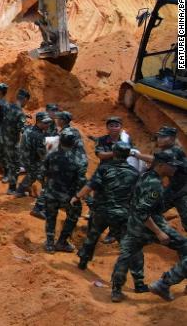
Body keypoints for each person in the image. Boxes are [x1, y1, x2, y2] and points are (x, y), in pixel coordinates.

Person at [110, 150, 187, 303]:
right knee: (185, 246)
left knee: (125, 256)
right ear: (161, 165)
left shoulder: (145, 175)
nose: (174, 169)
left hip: (134, 226)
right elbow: (143, 211)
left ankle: (116, 291)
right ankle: (165, 283)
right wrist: (159, 233)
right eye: (171, 165)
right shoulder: (155, 184)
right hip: (151, 226)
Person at [73, 142, 144, 288]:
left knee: (92, 236)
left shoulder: (104, 169)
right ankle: (138, 280)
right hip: (122, 214)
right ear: (127, 155)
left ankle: (82, 262)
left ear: (114, 152)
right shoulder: (134, 173)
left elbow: (90, 186)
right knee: (128, 246)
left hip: (102, 211)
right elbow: (138, 195)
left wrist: (77, 197)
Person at [134, 126, 187, 232]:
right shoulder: (170, 151)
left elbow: (156, 160)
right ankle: (148, 231)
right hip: (173, 189)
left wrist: (136, 155)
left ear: (172, 138)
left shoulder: (173, 151)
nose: (160, 139)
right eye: (159, 136)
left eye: (164, 137)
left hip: (183, 191)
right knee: (153, 208)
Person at [43, 129, 85, 254]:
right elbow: (81, 181)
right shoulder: (78, 160)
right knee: (74, 215)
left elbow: (43, 171)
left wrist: (46, 185)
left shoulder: (51, 154)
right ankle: (61, 241)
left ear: (60, 141)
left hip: (51, 192)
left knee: (50, 217)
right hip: (68, 196)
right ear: (74, 143)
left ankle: (50, 244)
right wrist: (78, 196)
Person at [0, 89, 29, 192]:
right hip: (12, 142)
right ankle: (12, 189)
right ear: (25, 99)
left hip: (1, 137)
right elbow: (23, 129)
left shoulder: (8, 106)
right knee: (15, 165)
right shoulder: (20, 113)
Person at [14, 112, 52, 197]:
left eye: (48, 122)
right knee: (42, 172)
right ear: (38, 122)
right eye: (45, 123)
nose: (48, 125)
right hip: (31, 160)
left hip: (24, 157)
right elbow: (43, 155)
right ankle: (47, 195)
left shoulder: (29, 129)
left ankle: (22, 189)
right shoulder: (38, 136)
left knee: (33, 174)